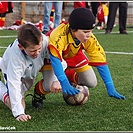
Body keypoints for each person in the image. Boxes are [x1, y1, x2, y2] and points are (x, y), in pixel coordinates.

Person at [47, 7, 125, 100]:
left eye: (91, 31)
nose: (89, 35)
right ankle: (38, 93)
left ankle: (68, 75)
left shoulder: (90, 38)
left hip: (72, 54)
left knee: (91, 82)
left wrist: (110, 86)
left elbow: (100, 59)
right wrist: (62, 81)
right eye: (85, 32)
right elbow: (55, 59)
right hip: (50, 56)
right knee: (49, 84)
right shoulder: (58, 35)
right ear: (73, 29)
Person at [0, 23, 63, 122]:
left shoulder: (45, 41)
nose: (37, 53)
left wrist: (57, 79)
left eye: (39, 49)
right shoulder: (15, 58)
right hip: (10, 70)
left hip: (29, 72)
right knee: (17, 106)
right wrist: (19, 113)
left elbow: (61, 61)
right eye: (33, 51)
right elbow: (14, 84)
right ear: (21, 47)